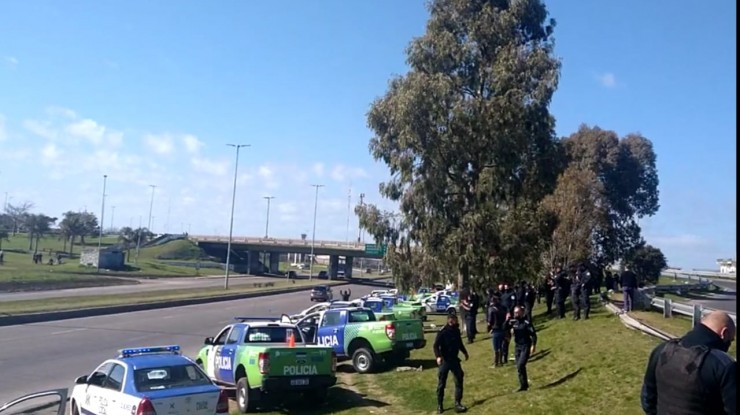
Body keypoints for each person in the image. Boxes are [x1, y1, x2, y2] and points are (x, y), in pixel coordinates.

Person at [641, 310, 736, 415]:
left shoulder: (661, 350)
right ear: (724, 333)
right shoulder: (723, 365)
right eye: (731, 340)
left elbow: (648, 399)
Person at [433, 314, 469, 414]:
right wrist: (438, 356)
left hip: (454, 360)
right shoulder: (443, 331)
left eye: (456, 319)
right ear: (450, 320)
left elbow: (459, 343)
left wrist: (465, 352)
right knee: (442, 383)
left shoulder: (456, 331)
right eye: (454, 320)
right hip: (445, 360)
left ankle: (458, 403)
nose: (456, 321)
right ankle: (440, 405)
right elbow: (436, 346)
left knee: (459, 380)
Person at [506, 306, 537, 392]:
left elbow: (533, 334)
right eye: (514, 312)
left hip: (525, 346)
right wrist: (507, 320)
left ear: (522, 313)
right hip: (517, 346)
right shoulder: (513, 322)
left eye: (517, 312)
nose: (515, 314)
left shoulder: (526, 323)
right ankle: (523, 385)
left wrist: (533, 345)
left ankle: (524, 385)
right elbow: (504, 327)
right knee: (519, 367)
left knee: (521, 365)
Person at [486, 295, 508, 367]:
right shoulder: (502, 308)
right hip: (502, 329)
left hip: (495, 329)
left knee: (496, 348)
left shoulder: (491, 309)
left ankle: (495, 363)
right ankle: (501, 361)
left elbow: (490, 321)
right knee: (501, 346)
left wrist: (488, 328)